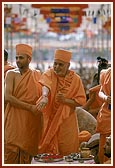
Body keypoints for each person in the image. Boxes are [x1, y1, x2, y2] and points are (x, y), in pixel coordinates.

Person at [36, 49, 86, 156]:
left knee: (68, 150)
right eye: (55, 64)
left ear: (68, 66)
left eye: (61, 65)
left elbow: (81, 101)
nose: (57, 67)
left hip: (67, 121)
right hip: (50, 119)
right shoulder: (49, 73)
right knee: (49, 152)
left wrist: (65, 101)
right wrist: (44, 96)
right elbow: (46, 85)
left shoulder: (76, 79)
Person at [4, 43, 43, 164]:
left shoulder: (37, 74)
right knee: (10, 149)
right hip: (14, 118)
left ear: (29, 59)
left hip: (31, 120)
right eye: (16, 57)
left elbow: (42, 94)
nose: (17, 60)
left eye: (21, 57)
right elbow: (8, 97)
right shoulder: (11, 74)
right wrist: (29, 107)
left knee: (28, 154)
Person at [96, 67, 111, 164]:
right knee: (104, 149)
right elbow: (100, 92)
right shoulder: (110, 71)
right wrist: (106, 98)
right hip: (107, 116)